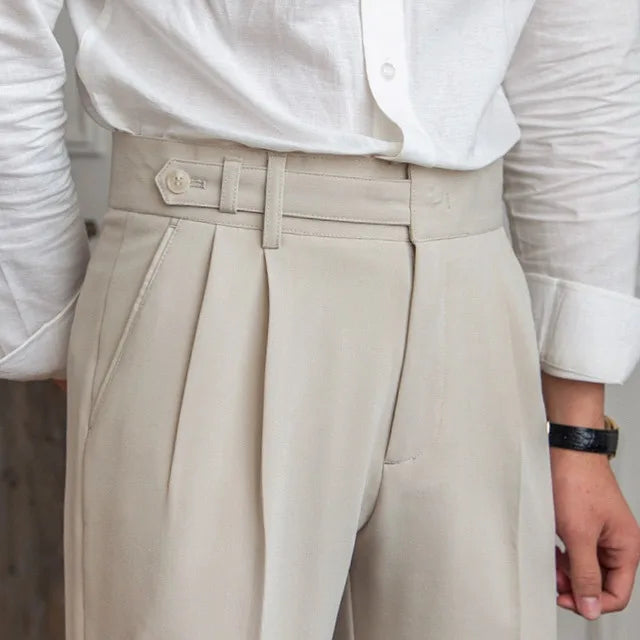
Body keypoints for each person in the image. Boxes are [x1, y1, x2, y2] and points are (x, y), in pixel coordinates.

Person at [1, 1, 639, 639]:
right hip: (211, 260)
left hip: (472, 291)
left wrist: (578, 431)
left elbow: (580, 79)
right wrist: (54, 321)